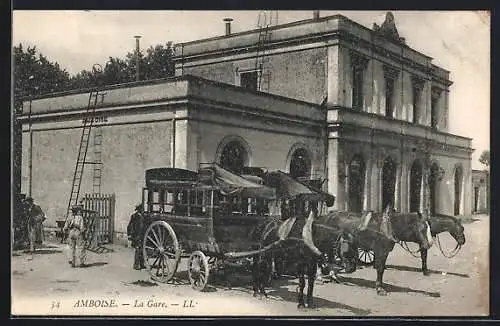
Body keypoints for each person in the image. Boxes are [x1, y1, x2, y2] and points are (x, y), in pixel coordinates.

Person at [127, 204, 145, 270]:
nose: (141, 210)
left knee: (142, 249)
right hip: (136, 234)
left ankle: (142, 264)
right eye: (140, 208)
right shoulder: (134, 216)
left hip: (142, 234)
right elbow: (129, 226)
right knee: (137, 249)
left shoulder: (143, 216)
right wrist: (129, 234)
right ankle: (136, 265)